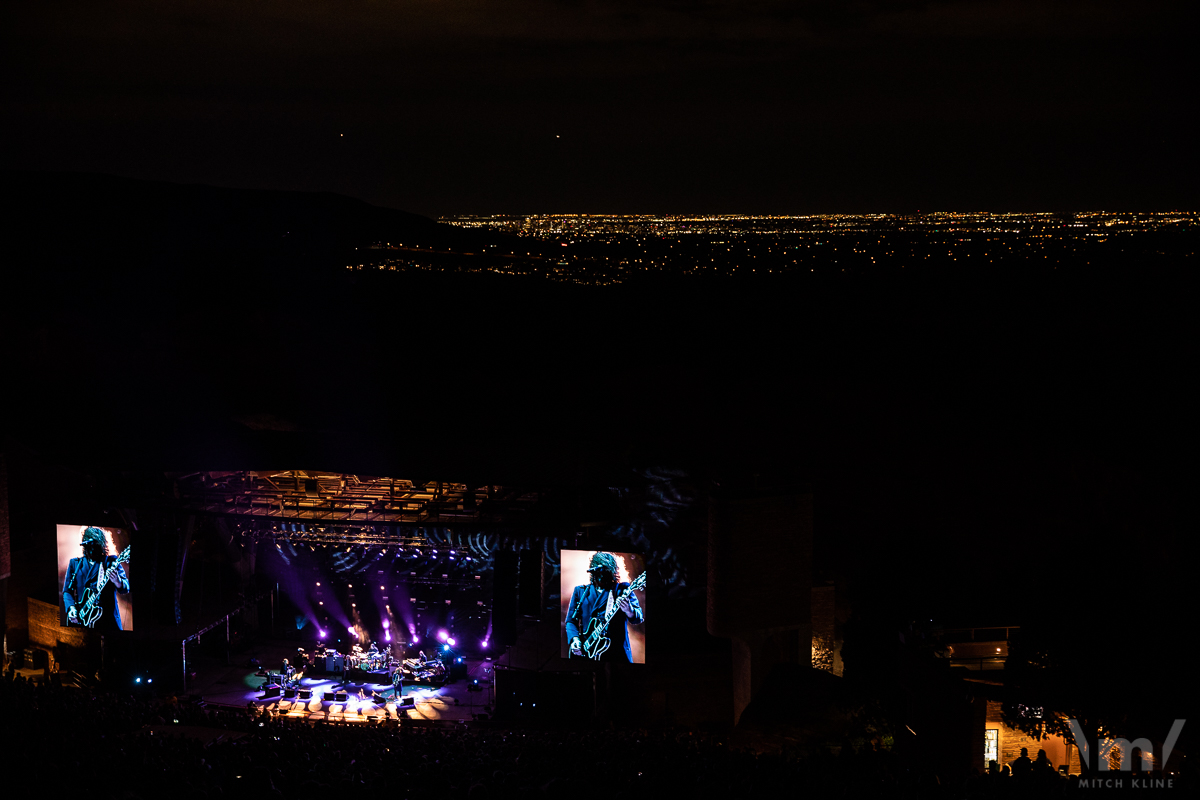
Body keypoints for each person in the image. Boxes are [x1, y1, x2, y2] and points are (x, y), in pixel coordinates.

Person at [565, 551, 643, 662]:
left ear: (611, 572)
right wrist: (575, 639)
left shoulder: (622, 589)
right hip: (588, 653)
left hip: (616, 654)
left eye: (605, 573)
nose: (601, 577)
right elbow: (570, 621)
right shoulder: (581, 591)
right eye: (599, 574)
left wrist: (629, 610)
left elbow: (638, 617)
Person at [62, 527, 129, 630]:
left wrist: (117, 581)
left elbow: (126, 587)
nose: (91, 551)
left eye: (94, 547)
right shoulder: (75, 564)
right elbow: (67, 591)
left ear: (101, 546)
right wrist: (71, 608)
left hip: (107, 621)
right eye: (89, 547)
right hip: (83, 620)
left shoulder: (111, 562)